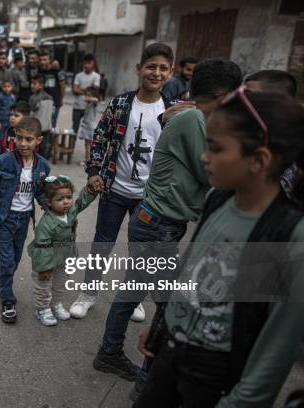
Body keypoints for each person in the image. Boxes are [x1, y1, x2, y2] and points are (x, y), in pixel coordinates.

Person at [135, 91, 304, 408]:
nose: (203, 156)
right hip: (169, 356)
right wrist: (161, 326)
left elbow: (277, 347)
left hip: (215, 380)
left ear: (260, 160)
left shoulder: (289, 235)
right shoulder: (218, 199)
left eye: (215, 148)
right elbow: (189, 274)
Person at [93, 59, 243, 385]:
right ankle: (146, 379)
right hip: (158, 224)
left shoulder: (192, 115)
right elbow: (211, 171)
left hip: (157, 222)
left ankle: (109, 353)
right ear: (222, 94)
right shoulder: (192, 119)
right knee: (168, 306)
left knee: (134, 293)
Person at [69, 43, 177, 322]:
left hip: (149, 196)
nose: (156, 72)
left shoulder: (173, 111)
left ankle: (133, 299)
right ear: (140, 69)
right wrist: (94, 171)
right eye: (151, 66)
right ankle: (88, 293)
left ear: (171, 72)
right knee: (102, 243)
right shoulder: (119, 103)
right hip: (114, 189)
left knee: (139, 248)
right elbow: (100, 138)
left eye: (163, 68)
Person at [0, 117, 51, 324]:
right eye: (19, 138)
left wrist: (47, 203)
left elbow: (39, 192)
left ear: (38, 140)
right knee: (6, 262)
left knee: (15, 259)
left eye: (28, 139)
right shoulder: (2, 161)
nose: (22, 143)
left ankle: (0, 284)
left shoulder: (43, 167)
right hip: (5, 219)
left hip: (23, 220)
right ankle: (8, 301)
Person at [27, 176, 98, 326]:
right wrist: (44, 268)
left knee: (60, 283)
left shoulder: (70, 211)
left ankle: (56, 304)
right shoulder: (46, 224)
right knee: (44, 286)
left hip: (64, 257)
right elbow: (42, 247)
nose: (66, 202)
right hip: (45, 260)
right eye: (60, 199)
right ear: (48, 202)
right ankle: (42, 309)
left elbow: (80, 203)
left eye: (68, 197)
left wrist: (89, 191)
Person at [72, 54, 100, 137]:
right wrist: (87, 90)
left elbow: (94, 90)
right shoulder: (78, 75)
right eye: (85, 63)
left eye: (89, 63)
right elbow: (75, 90)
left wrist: (80, 88)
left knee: (88, 131)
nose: (86, 65)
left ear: (93, 63)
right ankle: (71, 148)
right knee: (74, 129)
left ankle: (87, 150)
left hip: (89, 108)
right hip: (77, 106)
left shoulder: (96, 76)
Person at [29, 75, 54, 158]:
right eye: (31, 83)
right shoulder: (50, 97)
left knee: (34, 148)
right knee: (42, 148)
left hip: (35, 127)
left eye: (34, 83)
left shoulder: (33, 98)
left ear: (41, 85)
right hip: (46, 127)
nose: (32, 85)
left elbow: (32, 112)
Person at [39, 51, 65, 128]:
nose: (43, 62)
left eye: (45, 60)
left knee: (53, 122)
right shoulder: (40, 71)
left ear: (50, 60)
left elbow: (62, 85)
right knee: (43, 121)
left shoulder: (57, 70)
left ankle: (51, 139)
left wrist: (61, 98)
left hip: (55, 101)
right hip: (44, 101)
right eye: (41, 60)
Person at [77, 86, 101, 165]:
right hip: (86, 125)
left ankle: (89, 161)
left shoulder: (93, 103)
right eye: (86, 94)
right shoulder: (88, 103)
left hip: (90, 127)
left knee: (89, 145)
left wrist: (88, 98)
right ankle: (88, 160)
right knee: (86, 145)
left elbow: (96, 100)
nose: (86, 96)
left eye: (89, 95)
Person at [0, 80, 16, 156]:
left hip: (10, 121)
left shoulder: (13, 97)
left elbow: (14, 110)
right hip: (1, 122)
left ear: (11, 87)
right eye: (5, 86)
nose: (6, 88)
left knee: (8, 138)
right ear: (2, 87)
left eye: (8, 86)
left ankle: (6, 155)